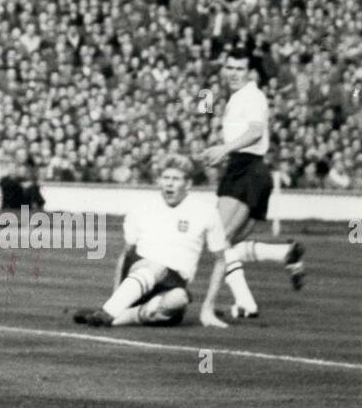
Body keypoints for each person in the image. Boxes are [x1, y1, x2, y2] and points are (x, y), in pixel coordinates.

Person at [198, 47, 304, 319]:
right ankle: (281, 256)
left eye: (239, 69)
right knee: (225, 243)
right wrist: (223, 150)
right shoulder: (239, 97)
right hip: (247, 170)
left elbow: (256, 132)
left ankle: (230, 305)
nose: (233, 73)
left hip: (247, 170)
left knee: (218, 241)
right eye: (229, 68)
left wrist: (224, 149)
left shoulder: (252, 95)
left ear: (249, 72)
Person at [74, 155, 228, 328]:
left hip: (173, 282)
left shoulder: (205, 212)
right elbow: (126, 254)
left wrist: (208, 307)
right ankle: (109, 311)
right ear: (159, 181)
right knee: (157, 268)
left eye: (176, 179)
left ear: (188, 184)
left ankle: (118, 316)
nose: (169, 183)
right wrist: (115, 294)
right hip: (140, 270)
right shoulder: (142, 209)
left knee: (180, 298)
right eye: (166, 178)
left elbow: (221, 260)